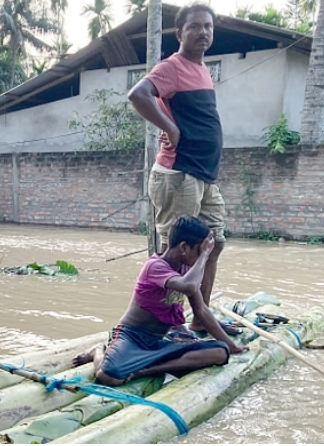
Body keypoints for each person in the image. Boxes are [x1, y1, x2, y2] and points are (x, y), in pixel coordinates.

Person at [127, 3, 237, 336]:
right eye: (195, 26)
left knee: (213, 245)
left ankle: (200, 318)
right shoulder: (172, 67)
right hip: (178, 176)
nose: (203, 32)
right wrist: (169, 128)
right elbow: (138, 94)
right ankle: (170, 325)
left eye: (208, 26)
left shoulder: (202, 69)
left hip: (203, 177)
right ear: (180, 33)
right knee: (177, 256)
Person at [73, 215, 247, 387]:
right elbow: (188, 286)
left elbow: (201, 310)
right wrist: (204, 256)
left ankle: (144, 370)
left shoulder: (186, 269)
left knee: (220, 352)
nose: (204, 257)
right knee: (108, 376)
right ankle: (98, 351)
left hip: (161, 340)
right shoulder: (155, 267)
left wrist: (231, 346)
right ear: (184, 247)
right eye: (199, 251)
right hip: (133, 338)